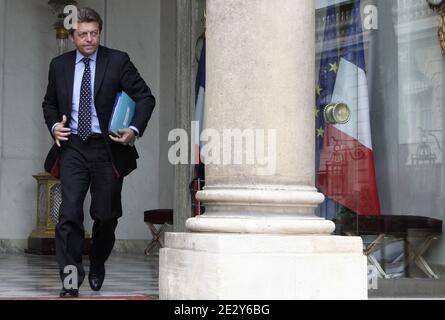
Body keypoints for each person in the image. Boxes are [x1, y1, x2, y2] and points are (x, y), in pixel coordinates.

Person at [42, 7, 156, 298]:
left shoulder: (118, 61)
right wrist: (55, 125)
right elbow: (49, 104)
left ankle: (97, 260)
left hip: (108, 148)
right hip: (74, 148)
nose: (90, 39)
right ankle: (70, 280)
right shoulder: (59, 65)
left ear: (99, 32)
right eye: (83, 34)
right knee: (68, 214)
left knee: (105, 215)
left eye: (94, 33)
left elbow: (145, 97)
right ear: (72, 36)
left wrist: (133, 129)